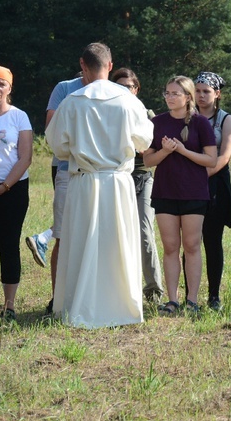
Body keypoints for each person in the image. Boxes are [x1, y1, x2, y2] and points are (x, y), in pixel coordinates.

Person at [45, 43, 154, 328]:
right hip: (118, 182)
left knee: (81, 242)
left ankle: (79, 304)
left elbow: (56, 144)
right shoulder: (129, 101)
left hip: (84, 180)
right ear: (110, 65)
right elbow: (144, 140)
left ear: (83, 65)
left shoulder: (73, 101)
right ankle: (120, 306)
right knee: (119, 243)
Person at [143, 76, 217, 315]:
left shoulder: (200, 123)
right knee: (170, 246)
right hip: (165, 191)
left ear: (188, 97)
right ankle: (172, 300)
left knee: (192, 245)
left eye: (175, 93)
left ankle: (192, 300)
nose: (170, 97)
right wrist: (165, 151)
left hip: (194, 192)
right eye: (167, 93)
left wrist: (184, 151)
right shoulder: (156, 123)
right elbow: (148, 160)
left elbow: (211, 160)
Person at [27, 71, 87, 314]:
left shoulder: (110, 91)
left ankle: (86, 296)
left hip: (102, 174)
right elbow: (52, 129)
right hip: (67, 168)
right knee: (63, 235)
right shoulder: (64, 88)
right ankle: (58, 299)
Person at [0, 64, 32, 322]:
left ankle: (9, 306)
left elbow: (25, 158)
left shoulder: (19, 117)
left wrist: (3, 187)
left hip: (12, 191)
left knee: (9, 246)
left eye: (2, 84)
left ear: (9, 88)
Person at [111, 67, 164, 303]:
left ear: (137, 89)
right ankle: (119, 289)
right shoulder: (108, 113)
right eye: (120, 86)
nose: (125, 91)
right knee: (116, 235)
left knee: (144, 233)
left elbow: (153, 148)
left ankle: (154, 290)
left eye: (129, 87)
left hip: (143, 177)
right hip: (115, 179)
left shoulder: (147, 114)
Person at [193, 71, 231, 311]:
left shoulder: (225, 120)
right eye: (197, 90)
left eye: (206, 91)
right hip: (188, 187)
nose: (200, 95)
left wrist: (198, 177)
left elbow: (225, 157)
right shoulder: (186, 116)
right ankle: (191, 296)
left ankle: (213, 296)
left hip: (215, 186)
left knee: (212, 241)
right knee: (190, 242)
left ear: (217, 94)